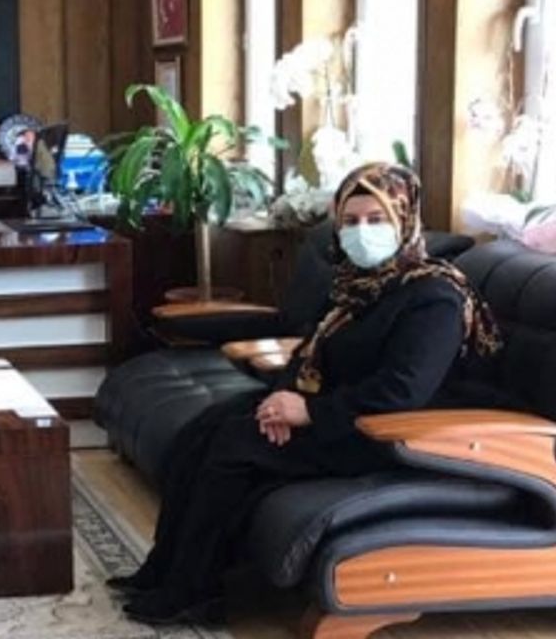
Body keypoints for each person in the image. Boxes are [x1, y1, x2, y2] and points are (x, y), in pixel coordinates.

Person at [106, 162, 503, 626]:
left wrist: (310, 412)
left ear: (405, 220)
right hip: (339, 411)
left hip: (388, 433)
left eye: (376, 219)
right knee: (205, 428)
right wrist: (280, 401)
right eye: (350, 220)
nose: (362, 231)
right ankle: (164, 569)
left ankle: (195, 590)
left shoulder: (435, 296)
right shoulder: (360, 285)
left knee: (233, 447)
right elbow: (310, 350)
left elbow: (402, 390)